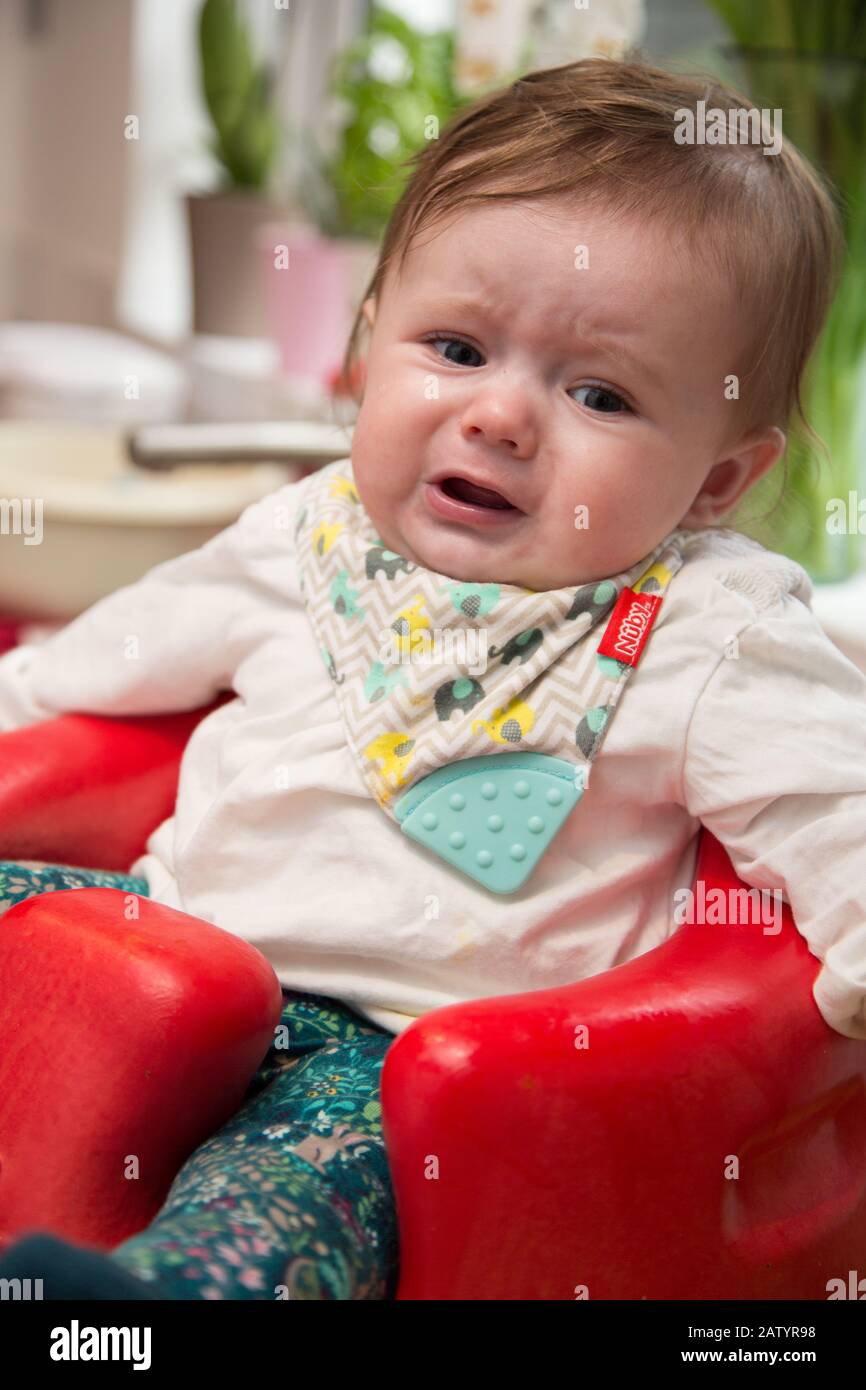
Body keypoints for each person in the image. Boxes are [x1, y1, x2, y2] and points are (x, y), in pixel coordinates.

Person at [1, 57, 865, 1301]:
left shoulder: (702, 628)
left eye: (599, 393)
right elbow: (89, 669)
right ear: (364, 351)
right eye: (455, 347)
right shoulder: (305, 536)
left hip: (395, 1055)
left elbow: (833, 806)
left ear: (718, 478)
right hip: (170, 940)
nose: (501, 417)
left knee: (284, 1209)